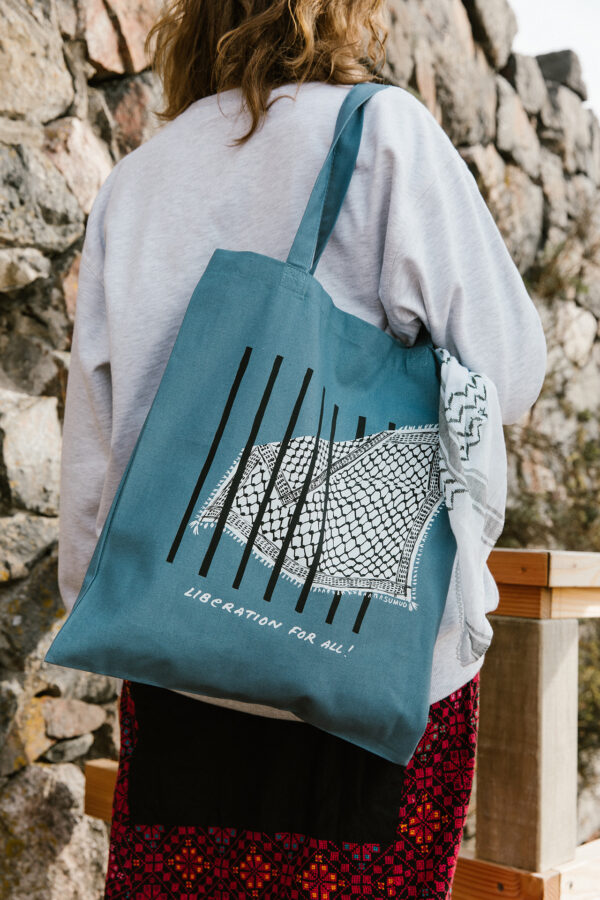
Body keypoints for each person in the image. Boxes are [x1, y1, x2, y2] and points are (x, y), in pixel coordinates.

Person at [58, 1, 547, 897]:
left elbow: (95, 465)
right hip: (362, 670)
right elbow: (509, 370)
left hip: (177, 673)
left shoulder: (138, 180)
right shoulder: (384, 135)